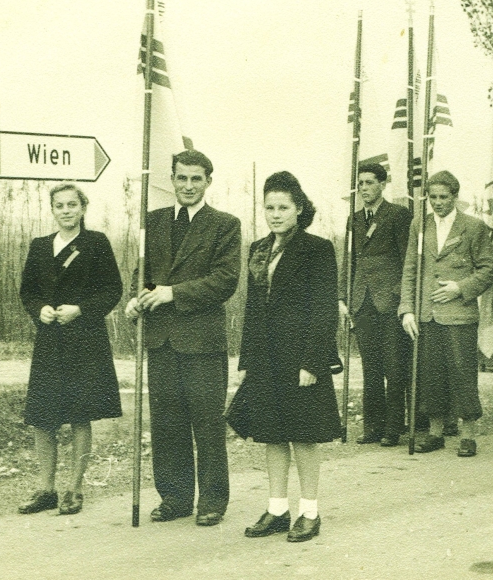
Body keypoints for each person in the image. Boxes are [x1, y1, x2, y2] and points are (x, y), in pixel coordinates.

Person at [125, 150, 241, 527]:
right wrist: (138, 298)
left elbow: (224, 281)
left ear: (208, 181)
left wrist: (172, 293)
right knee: (166, 423)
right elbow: (142, 273)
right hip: (160, 340)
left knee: (207, 424)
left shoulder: (225, 225)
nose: (188, 186)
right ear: (172, 179)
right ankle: (174, 498)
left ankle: (212, 501)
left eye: (196, 179)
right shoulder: (154, 221)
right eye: (181, 178)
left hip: (202, 343)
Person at [227, 171, 342, 543]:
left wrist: (313, 361)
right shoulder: (258, 249)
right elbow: (253, 308)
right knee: (272, 435)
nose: (275, 215)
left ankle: (310, 512)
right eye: (270, 207)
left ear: (299, 209)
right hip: (265, 359)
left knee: (303, 436)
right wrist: (247, 361)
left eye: (283, 207)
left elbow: (324, 309)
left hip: (301, 359)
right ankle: (277, 510)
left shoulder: (318, 249)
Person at [18, 183, 123, 515]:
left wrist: (81, 310)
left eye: (72, 205)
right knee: (42, 417)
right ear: (52, 210)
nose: (66, 211)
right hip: (49, 341)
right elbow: (28, 291)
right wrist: (39, 310)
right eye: (59, 205)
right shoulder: (39, 246)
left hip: (85, 341)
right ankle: (46, 489)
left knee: (80, 414)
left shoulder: (96, 243)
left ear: (83, 208)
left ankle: (74, 490)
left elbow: (113, 289)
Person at [399, 171, 493, 457]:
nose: (438, 202)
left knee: (462, 374)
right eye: (433, 197)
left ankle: (468, 435)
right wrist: (407, 309)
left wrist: (460, 288)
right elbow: (410, 269)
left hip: (459, 314)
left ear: (455, 196)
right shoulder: (419, 224)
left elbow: (489, 268)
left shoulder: (473, 226)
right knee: (431, 375)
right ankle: (435, 433)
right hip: (426, 314)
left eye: (444, 197)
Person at [339, 162, 413, 446]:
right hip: (362, 301)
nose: (364, 188)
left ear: (383, 184)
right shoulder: (354, 218)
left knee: (394, 367)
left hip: (390, 302)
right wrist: (342, 297)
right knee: (370, 367)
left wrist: (401, 296)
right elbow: (349, 260)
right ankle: (373, 427)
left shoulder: (398, 215)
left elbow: (408, 259)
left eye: (369, 182)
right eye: (360, 183)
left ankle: (393, 428)